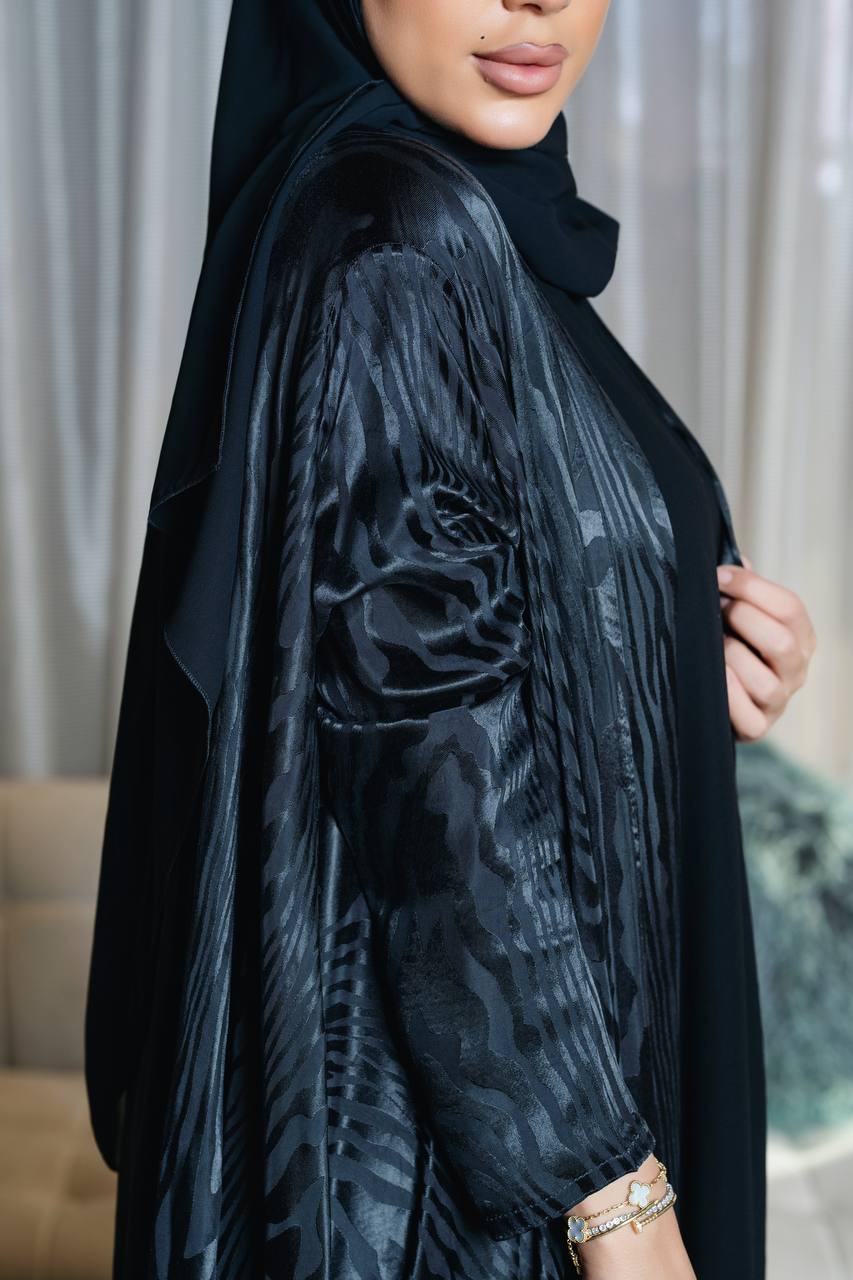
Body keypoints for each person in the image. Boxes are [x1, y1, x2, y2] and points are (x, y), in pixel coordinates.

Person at [83, 1, 818, 1277]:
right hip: (453, 1184)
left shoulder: (469, 225)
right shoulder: (394, 234)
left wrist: (675, 652)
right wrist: (616, 1203)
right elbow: (436, 773)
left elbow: (418, 619)